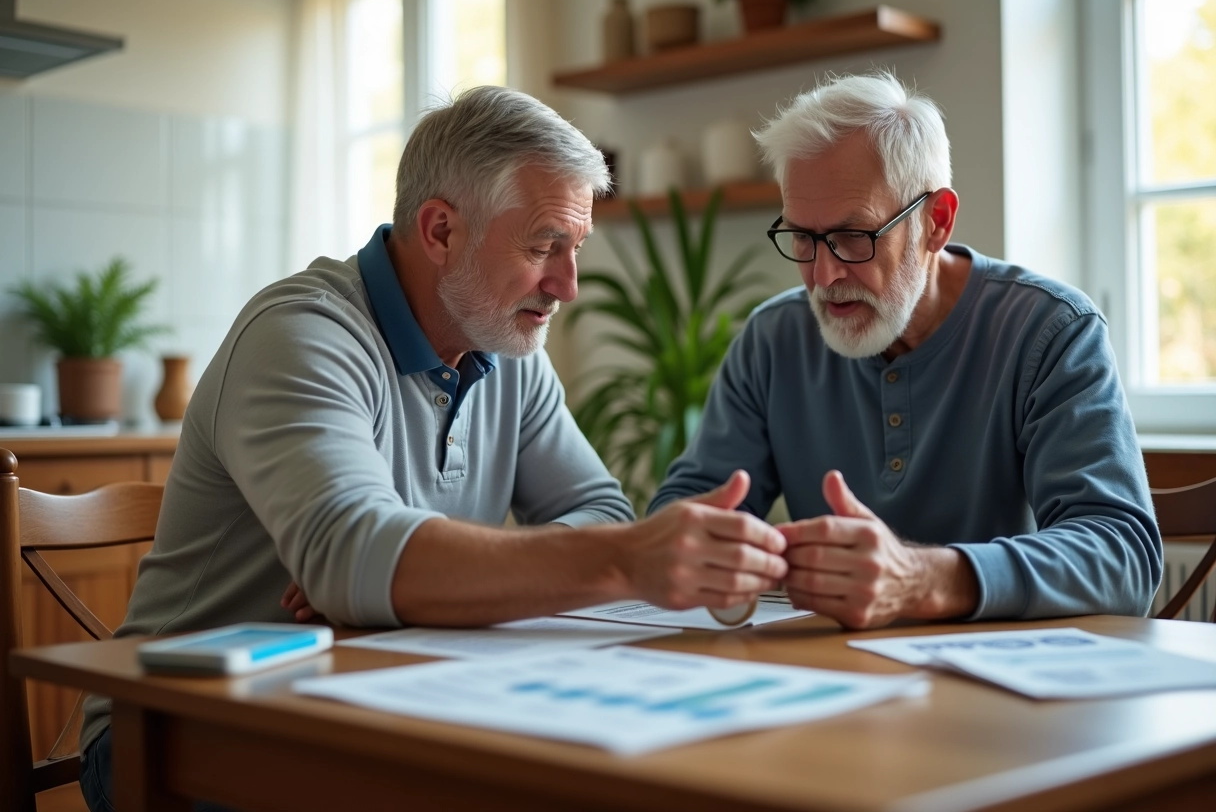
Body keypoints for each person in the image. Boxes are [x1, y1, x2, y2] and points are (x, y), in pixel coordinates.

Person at [78, 86, 788, 812]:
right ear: (441, 230)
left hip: (366, 700)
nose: (568, 285)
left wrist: (411, 581)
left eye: (575, 250)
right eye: (545, 246)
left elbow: (596, 509)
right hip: (179, 732)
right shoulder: (301, 335)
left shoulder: (507, 351)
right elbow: (356, 555)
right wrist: (401, 571)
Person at [650, 72, 1161, 631]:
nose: (822, 275)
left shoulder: (1052, 331)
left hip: (994, 691)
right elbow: (680, 517)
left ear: (935, 222)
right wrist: (716, 548)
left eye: (853, 236)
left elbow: (1123, 558)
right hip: (822, 680)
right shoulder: (772, 341)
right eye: (802, 238)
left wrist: (921, 579)